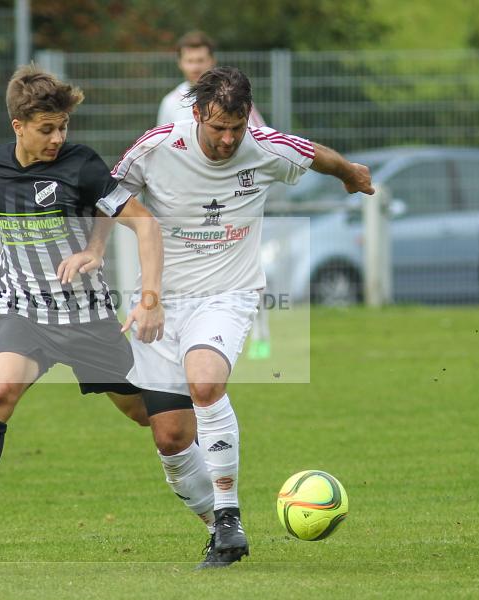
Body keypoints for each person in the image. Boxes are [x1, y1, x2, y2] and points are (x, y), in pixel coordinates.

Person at [112, 66, 374, 568]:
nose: (229, 139)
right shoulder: (157, 146)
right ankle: (221, 532)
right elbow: (107, 194)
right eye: (218, 128)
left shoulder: (264, 145)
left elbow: (316, 154)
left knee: (205, 381)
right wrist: (99, 247)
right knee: (169, 435)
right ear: (196, 115)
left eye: (236, 127)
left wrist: (350, 174)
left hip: (227, 295)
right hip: (161, 302)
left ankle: (229, 514)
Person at [0, 65, 164, 559]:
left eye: (63, 127)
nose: (58, 138)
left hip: (85, 316)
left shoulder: (82, 164)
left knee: (145, 415)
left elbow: (142, 222)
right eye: (47, 129)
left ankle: (207, 421)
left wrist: (125, 278)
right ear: (18, 126)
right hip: (23, 310)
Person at [157, 31, 271, 359]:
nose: (195, 66)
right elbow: (161, 147)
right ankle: (190, 332)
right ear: (180, 63)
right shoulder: (171, 103)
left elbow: (262, 140)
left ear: (212, 61)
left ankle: (260, 335)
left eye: (201, 59)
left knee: (245, 267)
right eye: (190, 60)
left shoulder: (234, 101)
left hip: (232, 199)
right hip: (190, 203)